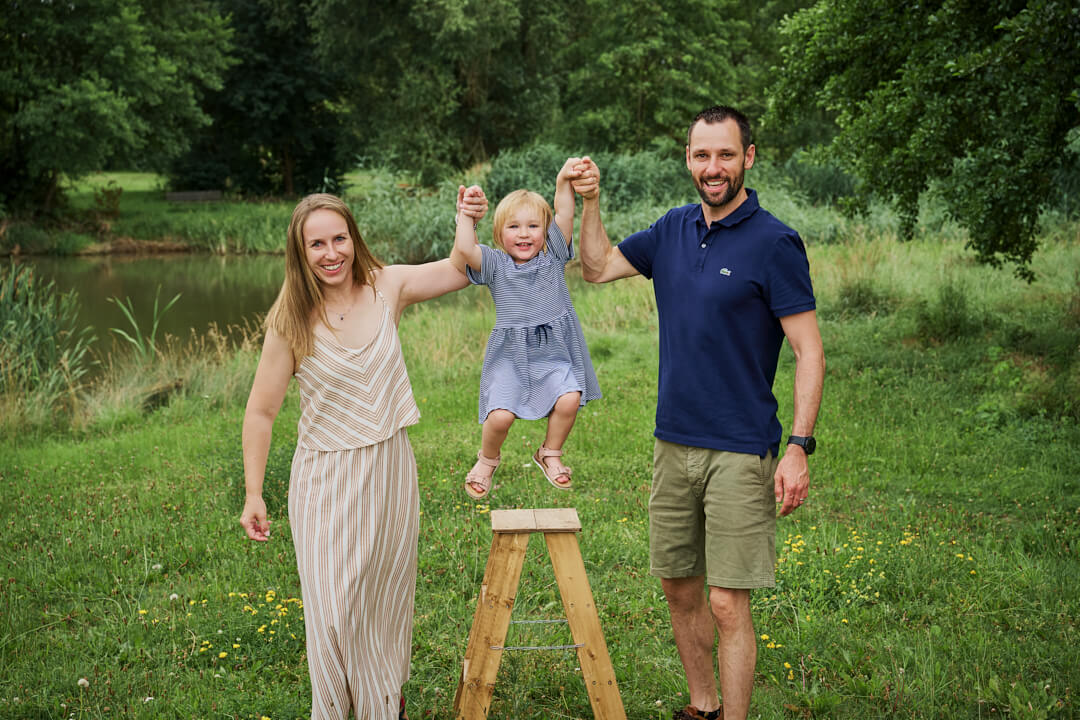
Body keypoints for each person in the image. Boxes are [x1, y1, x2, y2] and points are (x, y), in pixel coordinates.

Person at [573, 106, 825, 720]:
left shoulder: (775, 243)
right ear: (688, 160)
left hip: (740, 449)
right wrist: (591, 203)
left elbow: (809, 351)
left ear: (749, 157)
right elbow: (598, 267)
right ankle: (703, 706)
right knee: (679, 590)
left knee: (725, 604)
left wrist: (797, 446)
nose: (713, 168)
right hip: (672, 443)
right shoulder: (672, 229)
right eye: (701, 156)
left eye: (726, 155)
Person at [239, 191, 486, 720]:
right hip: (325, 479)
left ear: (354, 238)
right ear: (299, 252)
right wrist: (254, 493)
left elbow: (461, 271)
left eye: (339, 239)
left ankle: (382, 706)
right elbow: (261, 412)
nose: (331, 253)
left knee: (383, 606)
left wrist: (466, 220)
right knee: (333, 614)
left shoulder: (386, 286)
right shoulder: (291, 320)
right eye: (317, 244)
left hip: (391, 472)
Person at [450, 159, 601, 499]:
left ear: (544, 231)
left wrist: (563, 179)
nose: (524, 234)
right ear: (499, 234)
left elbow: (564, 213)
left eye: (533, 226)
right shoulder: (495, 264)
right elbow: (464, 249)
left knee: (569, 398)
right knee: (500, 417)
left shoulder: (553, 257)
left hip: (554, 354)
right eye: (514, 227)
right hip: (511, 358)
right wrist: (466, 215)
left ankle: (550, 453)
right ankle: (487, 460)